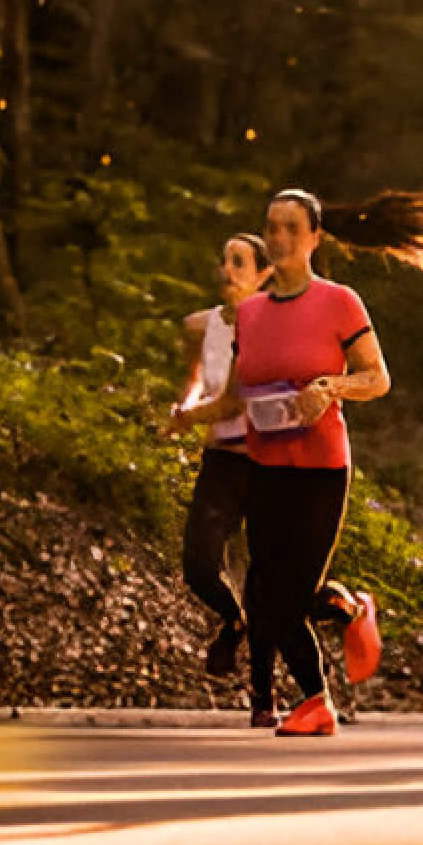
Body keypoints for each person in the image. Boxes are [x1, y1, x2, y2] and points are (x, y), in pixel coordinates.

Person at [216, 188, 423, 736]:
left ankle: (316, 703)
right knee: (267, 592)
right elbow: (236, 396)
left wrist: (330, 387)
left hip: (320, 472)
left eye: (290, 228)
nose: (279, 238)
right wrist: (184, 419)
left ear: (313, 238)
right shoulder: (251, 313)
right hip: (265, 469)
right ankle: (350, 609)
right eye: (271, 227)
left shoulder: (339, 302)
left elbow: (378, 378)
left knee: (283, 596)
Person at [161, 233, 274, 686]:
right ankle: (234, 620)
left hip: (268, 461)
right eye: (224, 260)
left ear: (264, 275)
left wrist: (188, 418)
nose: (227, 271)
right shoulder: (198, 325)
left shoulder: (268, 329)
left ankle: (265, 679)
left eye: (240, 263)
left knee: (270, 572)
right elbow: (191, 379)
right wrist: (181, 406)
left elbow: (234, 402)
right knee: (199, 564)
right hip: (221, 461)